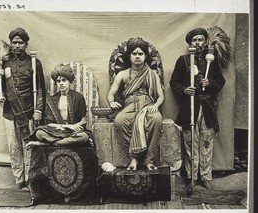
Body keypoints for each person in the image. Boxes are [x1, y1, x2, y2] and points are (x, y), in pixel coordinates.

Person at [170, 27, 226, 192]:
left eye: (200, 39)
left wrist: (210, 84)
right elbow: (174, 82)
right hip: (190, 108)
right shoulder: (184, 61)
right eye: (194, 40)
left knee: (207, 143)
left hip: (207, 108)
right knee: (190, 144)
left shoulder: (212, 61)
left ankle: (206, 177)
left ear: (205, 42)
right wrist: (185, 90)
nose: (197, 43)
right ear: (190, 44)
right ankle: (192, 178)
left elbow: (220, 82)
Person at [0, 27, 46, 189]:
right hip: (10, 112)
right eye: (14, 42)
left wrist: (38, 110)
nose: (17, 45)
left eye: (20, 43)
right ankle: (18, 178)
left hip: (28, 111)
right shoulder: (3, 62)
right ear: (10, 43)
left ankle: (29, 177)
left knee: (28, 145)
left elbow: (40, 89)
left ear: (26, 44)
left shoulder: (33, 62)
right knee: (14, 145)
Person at [107, 37, 164, 171]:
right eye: (134, 53)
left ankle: (149, 160)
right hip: (129, 106)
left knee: (156, 119)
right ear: (130, 56)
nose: (137, 57)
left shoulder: (152, 74)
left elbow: (161, 96)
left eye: (140, 54)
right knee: (120, 121)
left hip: (147, 105)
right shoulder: (122, 74)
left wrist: (155, 106)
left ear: (145, 56)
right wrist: (111, 102)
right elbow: (111, 93)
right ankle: (134, 158)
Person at [26, 64, 94, 147]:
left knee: (84, 137)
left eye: (64, 80)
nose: (61, 83)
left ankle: (46, 144)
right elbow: (49, 124)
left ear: (69, 81)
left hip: (73, 132)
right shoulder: (51, 100)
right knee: (39, 133)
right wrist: (66, 127)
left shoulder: (78, 97)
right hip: (57, 131)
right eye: (58, 81)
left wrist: (73, 127)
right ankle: (63, 142)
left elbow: (83, 121)